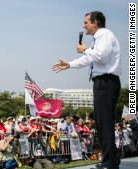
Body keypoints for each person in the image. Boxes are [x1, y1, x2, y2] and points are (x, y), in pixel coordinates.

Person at [52, 11, 121, 169]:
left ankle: (110, 162)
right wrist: (69, 64)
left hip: (106, 82)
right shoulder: (98, 39)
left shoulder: (104, 34)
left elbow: (100, 56)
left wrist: (84, 49)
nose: (83, 25)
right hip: (102, 82)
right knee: (102, 122)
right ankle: (111, 160)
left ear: (95, 22)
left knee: (105, 122)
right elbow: (89, 58)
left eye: (86, 22)